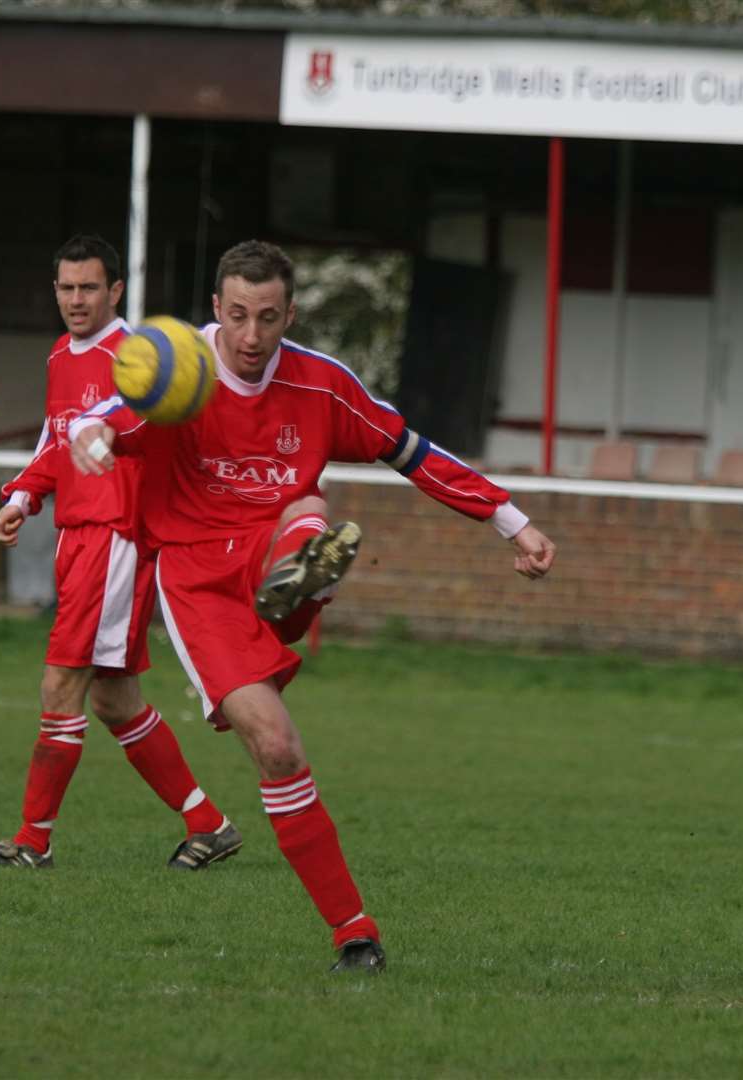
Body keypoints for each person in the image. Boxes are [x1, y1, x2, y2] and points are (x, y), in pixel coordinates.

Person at [69, 240, 557, 973]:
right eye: (236, 316)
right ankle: (353, 934)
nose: (249, 336)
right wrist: (94, 439)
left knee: (304, 501)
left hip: (272, 546)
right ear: (215, 310)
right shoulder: (175, 370)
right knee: (276, 747)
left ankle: (305, 574)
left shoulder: (320, 384)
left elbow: (413, 452)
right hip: (199, 582)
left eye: (267, 318)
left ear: (288, 313)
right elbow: (100, 418)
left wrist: (512, 522)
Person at [0, 234, 239, 872]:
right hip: (77, 534)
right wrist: (22, 497)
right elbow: (56, 440)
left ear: (115, 291)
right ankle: (210, 823)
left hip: (117, 536)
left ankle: (32, 842)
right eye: (66, 288)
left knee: (61, 682)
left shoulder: (145, 359)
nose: (75, 299)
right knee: (114, 698)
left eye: (88, 287)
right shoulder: (61, 356)